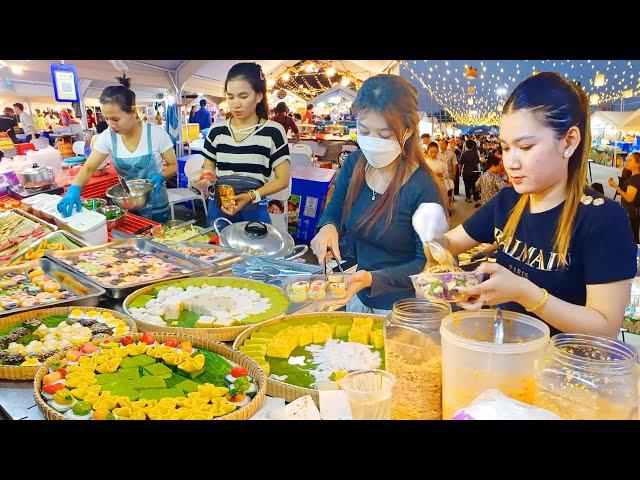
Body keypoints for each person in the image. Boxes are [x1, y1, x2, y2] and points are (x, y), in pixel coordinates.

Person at [423, 72, 637, 338]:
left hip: (562, 369)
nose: (511, 162)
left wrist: (525, 293)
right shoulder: (509, 201)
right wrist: (434, 246)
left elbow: (605, 328)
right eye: (506, 148)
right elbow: (449, 244)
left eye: (525, 147)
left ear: (569, 141)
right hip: (504, 352)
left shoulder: (602, 218)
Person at [310, 74, 446, 314]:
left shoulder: (424, 188)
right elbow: (334, 212)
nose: (372, 142)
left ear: (407, 132)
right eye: (364, 130)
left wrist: (373, 278)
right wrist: (328, 227)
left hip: (404, 310)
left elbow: (427, 264)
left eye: (384, 135)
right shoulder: (354, 164)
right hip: (356, 298)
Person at [57, 76, 177, 223]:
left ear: (132, 112)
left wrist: (162, 176)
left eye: (115, 119)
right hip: (126, 205)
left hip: (156, 203)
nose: (110, 124)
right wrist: (74, 188)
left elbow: (173, 165)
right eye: (106, 119)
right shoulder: (108, 136)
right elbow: (89, 167)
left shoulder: (156, 134)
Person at [192, 62, 291, 227]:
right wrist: (205, 178)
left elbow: (283, 179)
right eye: (230, 97)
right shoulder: (217, 130)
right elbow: (208, 167)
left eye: (243, 96)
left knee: (254, 251)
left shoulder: (273, 131)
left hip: (255, 205)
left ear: (259, 96)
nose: (235, 104)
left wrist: (251, 196)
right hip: (219, 205)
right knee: (217, 251)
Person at [609, 152, 640, 244]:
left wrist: (616, 186)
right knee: (633, 234)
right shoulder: (633, 177)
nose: (627, 162)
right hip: (633, 212)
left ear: (638, 164)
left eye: (630, 160)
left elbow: (629, 198)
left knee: (632, 237)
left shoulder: (635, 179)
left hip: (632, 213)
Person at [459, 139, 481, 205]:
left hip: (466, 172)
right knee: (474, 185)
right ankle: (476, 198)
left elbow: (461, 164)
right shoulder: (476, 153)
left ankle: (468, 198)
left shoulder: (464, 153)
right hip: (475, 172)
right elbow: (478, 162)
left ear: (466, 145)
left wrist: (460, 171)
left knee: (467, 185)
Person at [439, 137, 457, 203]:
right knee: (441, 192)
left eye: (442, 144)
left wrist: (454, 174)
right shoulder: (437, 153)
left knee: (449, 191)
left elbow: (454, 164)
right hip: (440, 177)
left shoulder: (451, 153)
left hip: (449, 175)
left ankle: (449, 207)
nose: (441, 145)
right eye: (440, 144)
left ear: (446, 145)